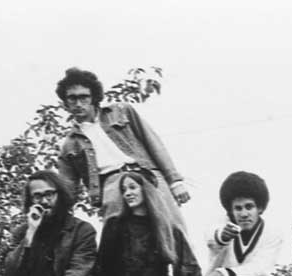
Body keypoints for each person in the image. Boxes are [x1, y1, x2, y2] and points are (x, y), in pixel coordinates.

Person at [53, 66, 191, 219]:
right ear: (65, 103)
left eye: (84, 97)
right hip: (110, 188)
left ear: (94, 97)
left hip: (147, 175)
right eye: (72, 98)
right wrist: (54, 213)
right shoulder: (69, 145)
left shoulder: (122, 111)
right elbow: (67, 189)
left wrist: (175, 182)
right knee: (122, 238)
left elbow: (154, 144)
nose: (78, 103)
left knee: (173, 229)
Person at [93, 167, 198, 276]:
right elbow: (101, 270)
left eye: (132, 187)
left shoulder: (169, 229)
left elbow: (190, 271)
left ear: (146, 190)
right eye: (123, 190)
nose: (127, 193)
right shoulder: (114, 226)